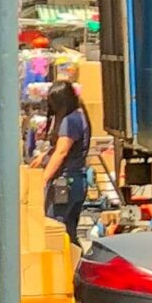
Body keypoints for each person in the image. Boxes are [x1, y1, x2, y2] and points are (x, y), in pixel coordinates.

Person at [36, 78, 92, 243]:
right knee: (70, 231)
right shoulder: (81, 116)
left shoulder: (69, 121)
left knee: (55, 229)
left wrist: (43, 179)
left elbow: (61, 152)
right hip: (77, 181)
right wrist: (44, 156)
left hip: (65, 183)